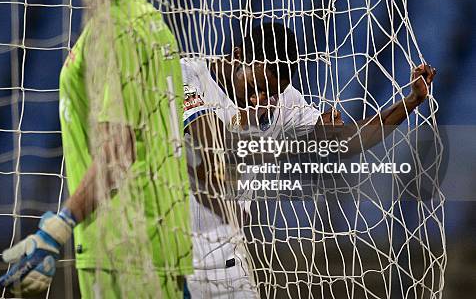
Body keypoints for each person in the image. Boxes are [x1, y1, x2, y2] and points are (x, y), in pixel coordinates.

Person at [0, 0, 192, 298]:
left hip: (124, 248)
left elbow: (117, 152)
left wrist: (57, 227)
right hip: (157, 240)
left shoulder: (115, 29)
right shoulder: (150, 22)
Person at [181, 21, 436, 296]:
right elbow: (216, 145)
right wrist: (295, 146)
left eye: (272, 92)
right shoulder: (187, 75)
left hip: (228, 261)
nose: (261, 100)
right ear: (238, 56)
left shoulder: (282, 101)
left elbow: (347, 142)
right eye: (256, 86)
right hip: (174, 256)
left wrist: (411, 102)